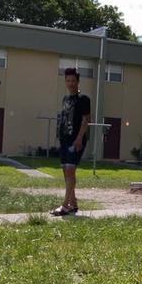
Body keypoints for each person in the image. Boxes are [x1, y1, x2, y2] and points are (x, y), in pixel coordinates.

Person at [50, 67, 91, 216]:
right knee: (66, 172)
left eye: (73, 80)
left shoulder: (84, 99)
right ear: (65, 81)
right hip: (64, 140)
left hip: (76, 141)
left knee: (70, 171)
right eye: (68, 80)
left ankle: (65, 205)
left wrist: (79, 138)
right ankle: (73, 204)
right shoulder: (65, 99)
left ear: (78, 81)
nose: (70, 83)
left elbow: (86, 120)